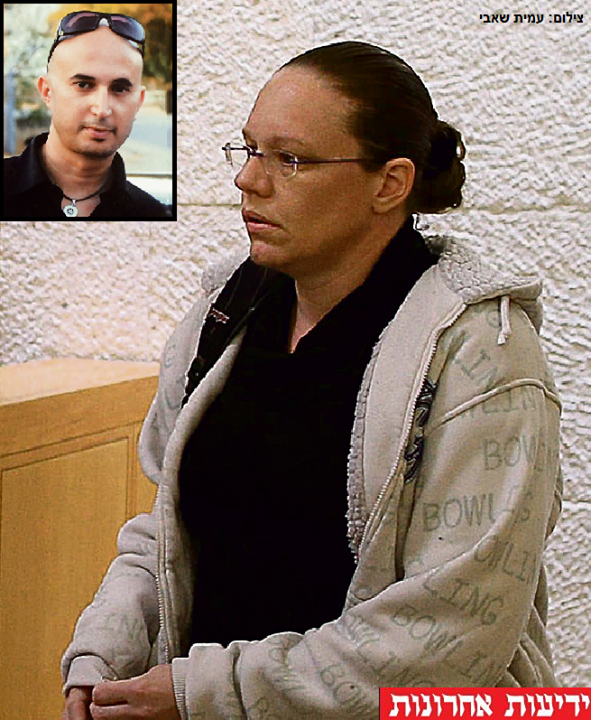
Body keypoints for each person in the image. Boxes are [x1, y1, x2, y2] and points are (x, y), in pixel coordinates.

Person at [61, 41, 562, 719]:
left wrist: (206, 692)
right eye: (248, 150)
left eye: (290, 159)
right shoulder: (225, 315)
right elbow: (168, 531)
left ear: (390, 183)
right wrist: (103, 651)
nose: (249, 180)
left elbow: (451, 630)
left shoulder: (481, 354)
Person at [3, 10, 169, 219]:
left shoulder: (151, 215)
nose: (102, 109)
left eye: (119, 89)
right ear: (47, 92)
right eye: (83, 85)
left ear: (139, 102)